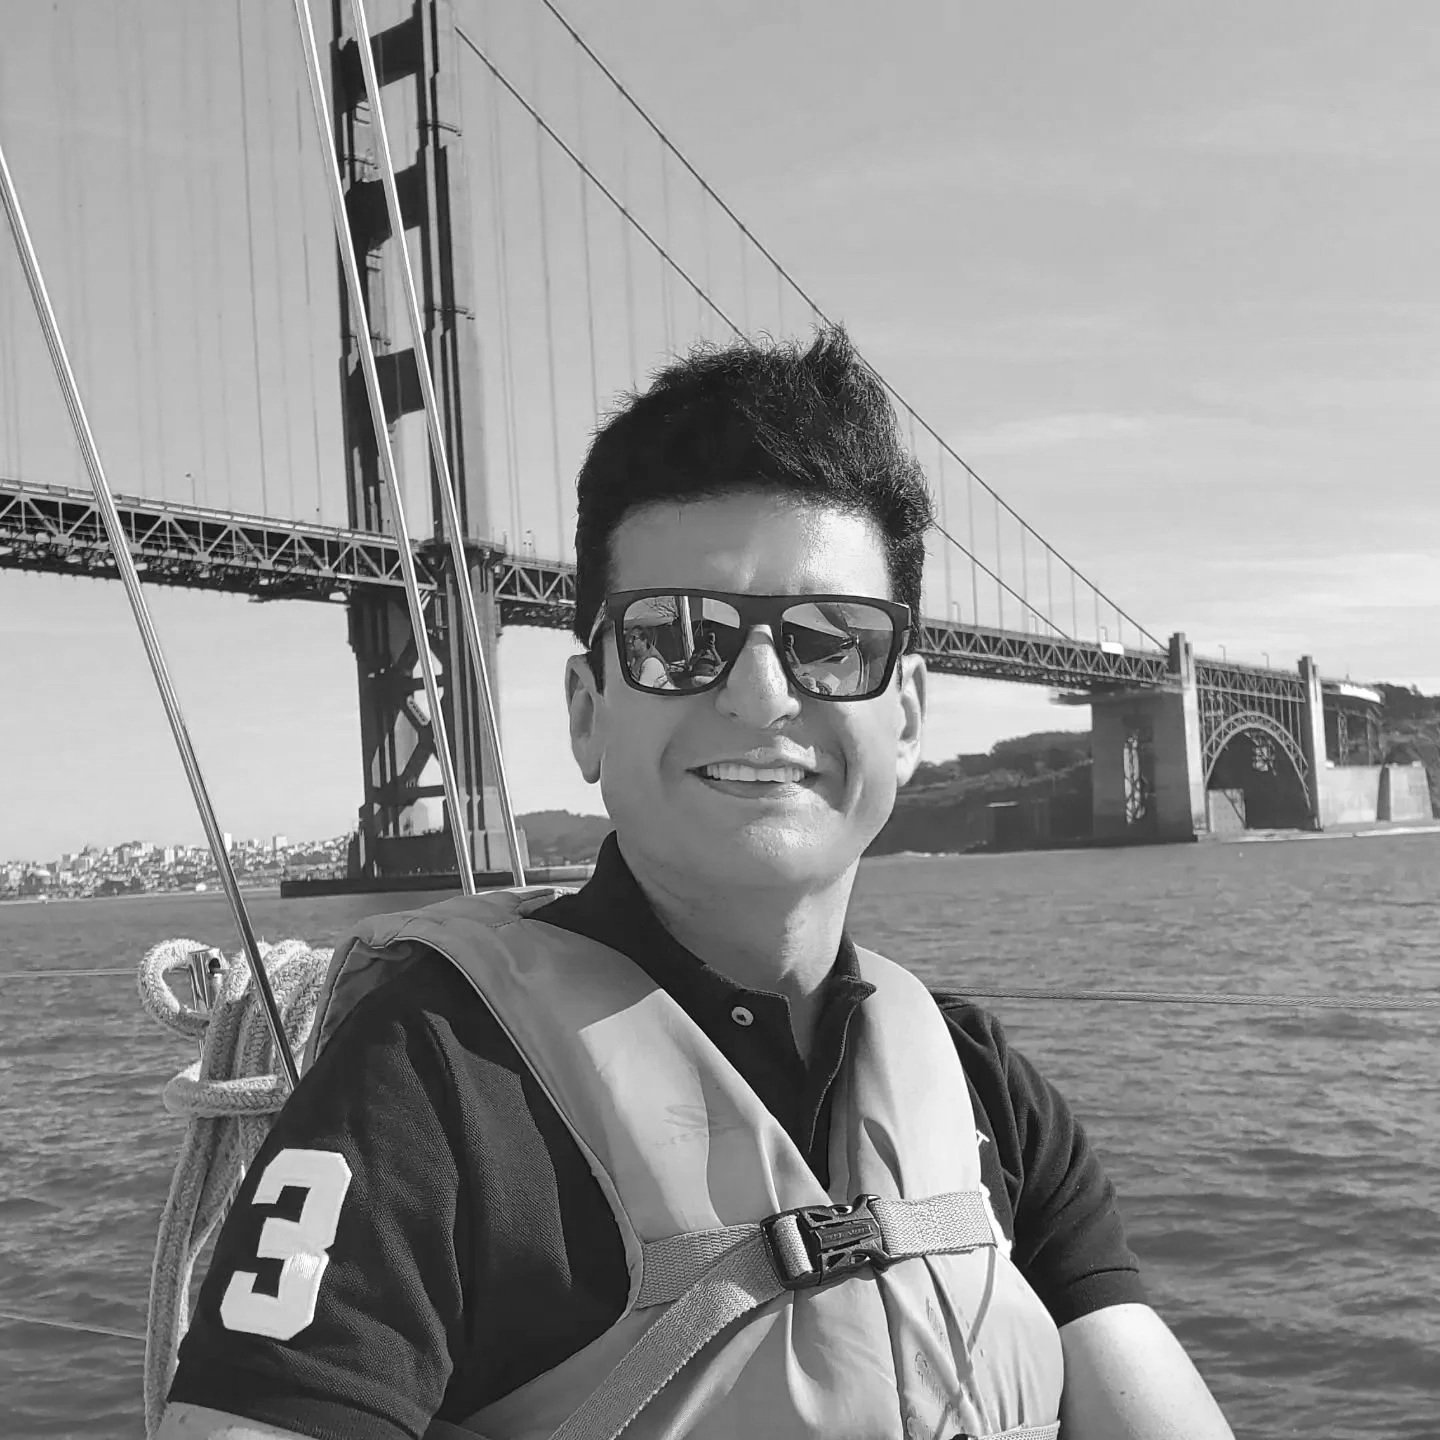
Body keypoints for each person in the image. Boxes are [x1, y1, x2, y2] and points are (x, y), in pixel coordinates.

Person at [158, 328, 1235, 1440]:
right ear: (587, 712)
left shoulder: (985, 1093)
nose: (764, 694)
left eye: (833, 642)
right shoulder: (427, 1088)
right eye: (679, 637)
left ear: (905, 715)